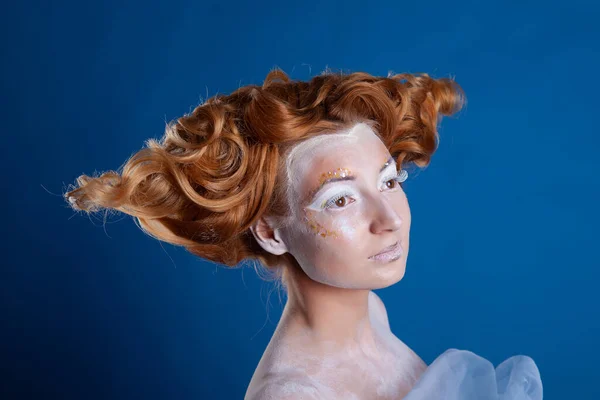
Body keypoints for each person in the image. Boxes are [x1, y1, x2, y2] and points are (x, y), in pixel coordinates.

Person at [64, 68, 543, 399]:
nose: (390, 219)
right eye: (340, 200)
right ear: (271, 231)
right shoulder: (292, 393)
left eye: (389, 182)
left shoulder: (370, 312)